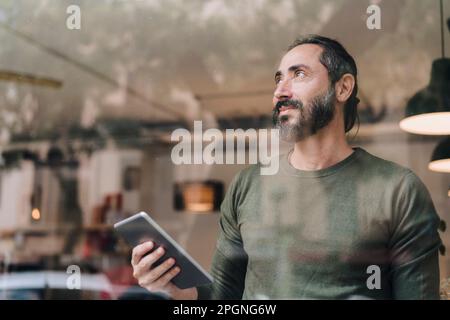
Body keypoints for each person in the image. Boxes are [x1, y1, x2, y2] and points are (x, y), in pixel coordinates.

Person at [131, 35, 443, 300]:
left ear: (343, 88)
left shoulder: (398, 189)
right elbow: (223, 298)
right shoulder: (248, 184)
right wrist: (179, 289)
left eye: (299, 74)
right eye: (279, 78)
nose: (281, 90)